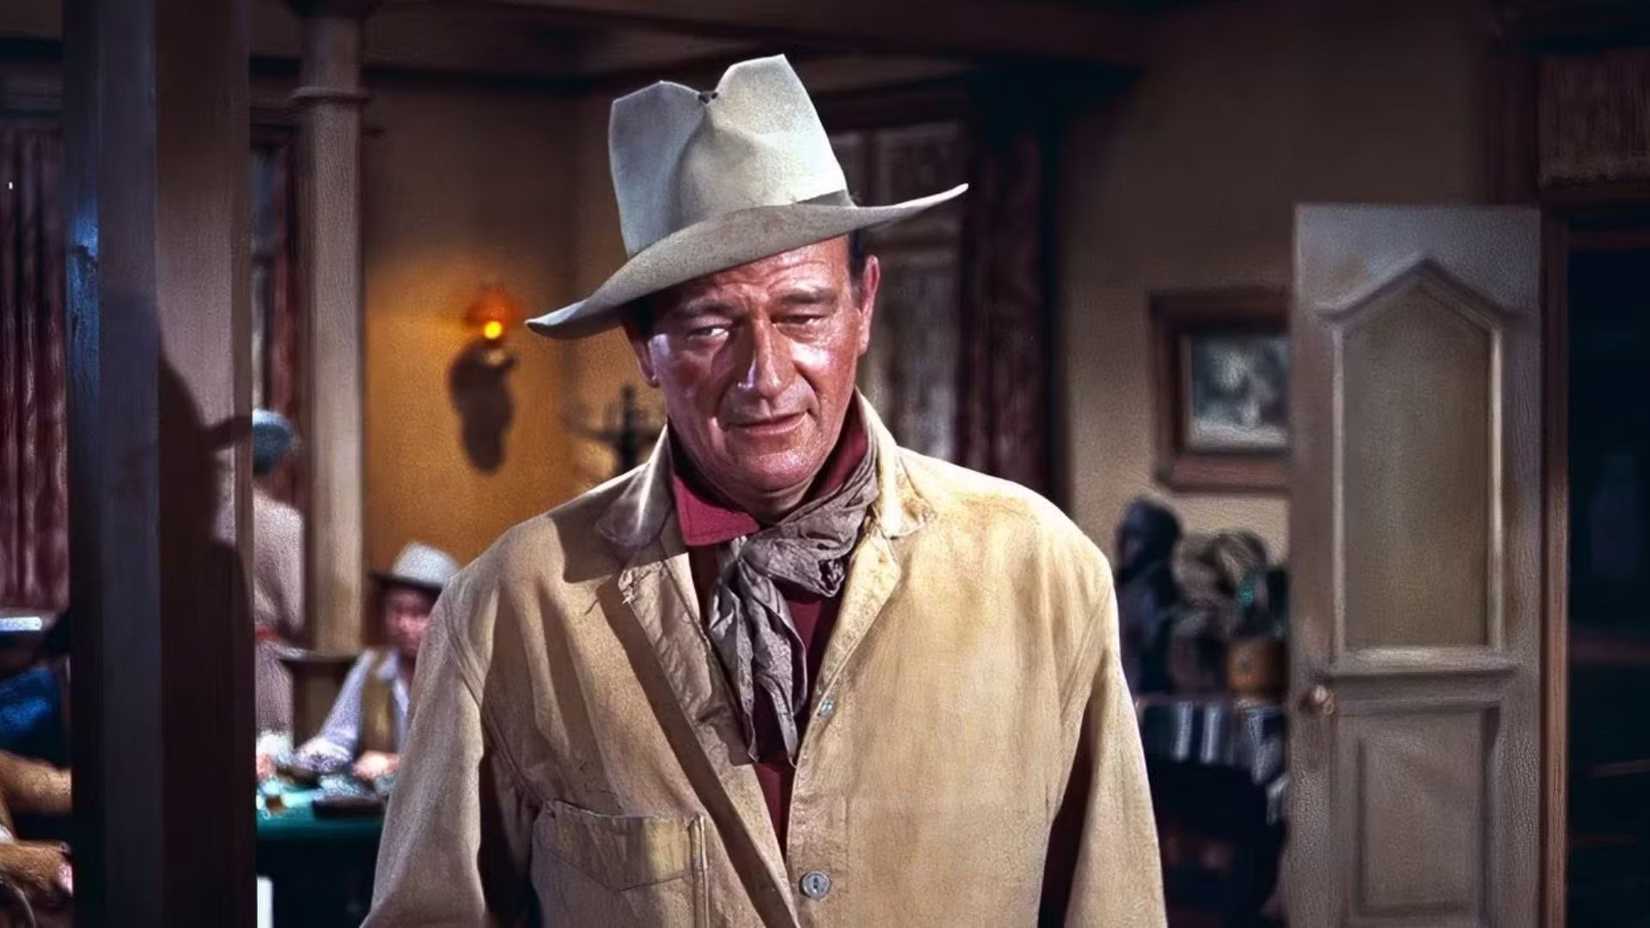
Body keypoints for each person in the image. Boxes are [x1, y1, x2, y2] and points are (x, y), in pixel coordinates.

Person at [365, 55, 1164, 926]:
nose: (767, 376)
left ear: (863, 304)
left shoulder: (1041, 574)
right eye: (712, 325)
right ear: (643, 345)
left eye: (802, 314)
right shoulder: (514, 606)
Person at [291, 542, 458, 784]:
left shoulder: (461, 675)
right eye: (396, 610)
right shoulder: (372, 667)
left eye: (418, 614)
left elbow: (463, 762)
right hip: (379, 804)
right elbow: (337, 740)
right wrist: (295, 760)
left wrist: (393, 763)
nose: (403, 624)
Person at [251, 410, 304, 752]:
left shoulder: (215, 516)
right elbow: (299, 614)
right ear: (281, 464)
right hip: (269, 668)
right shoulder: (283, 522)